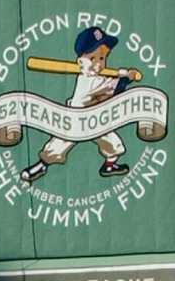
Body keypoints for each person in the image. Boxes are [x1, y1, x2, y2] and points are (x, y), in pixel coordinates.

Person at [20, 27, 142, 183]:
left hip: (95, 119)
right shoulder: (89, 79)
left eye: (102, 58)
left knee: (113, 144)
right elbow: (114, 88)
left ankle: (109, 165)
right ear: (81, 61)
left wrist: (123, 75)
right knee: (57, 146)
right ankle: (41, 166)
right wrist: (127, 77)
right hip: (77, 119)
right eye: (93, 58)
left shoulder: (97, 76)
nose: (98, 63)